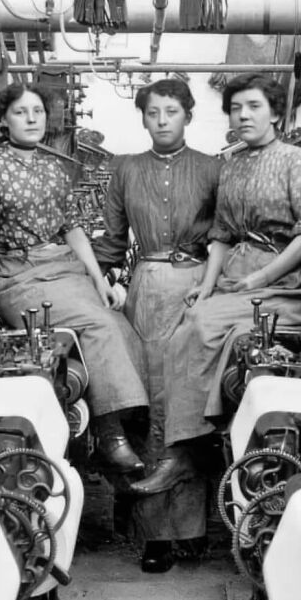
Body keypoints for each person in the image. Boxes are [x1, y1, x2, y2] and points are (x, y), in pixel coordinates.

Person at [0, 82, 149, 473]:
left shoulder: (55, 170)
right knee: (99, 324)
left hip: (64, 268)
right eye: (20, 112)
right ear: (2, 120)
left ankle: (117, 429)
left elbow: (74, 229)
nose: (31, 119)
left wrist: (100, 281)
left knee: (121, 321)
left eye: (38, 111)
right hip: (20, 276)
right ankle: (111, 434)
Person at [151, 72, 301, 475]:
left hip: (287, 281)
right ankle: (192, 442)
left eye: (254, 107)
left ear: (275, 114)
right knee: (184, 324)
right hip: (237, 275)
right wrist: (206, 284)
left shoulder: (300, 161)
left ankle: (187, 449)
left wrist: (260, 278)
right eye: (235, 108)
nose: (243, 116)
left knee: (198, 328)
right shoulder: (229, 166)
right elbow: (222, 236)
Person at [93, 78, 221, 572]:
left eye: (171, 111)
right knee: (147, 404)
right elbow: (110, 240)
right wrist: (94, 279)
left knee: (188, 403)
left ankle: (192, 531)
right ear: (142, 118)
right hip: (145, 287)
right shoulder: (124, 170)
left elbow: (223, 238)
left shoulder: (213, 169)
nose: (162, 120)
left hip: (196, 290)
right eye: (153, 112)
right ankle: (154, 538)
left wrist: (214, 288)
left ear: (188, 115)